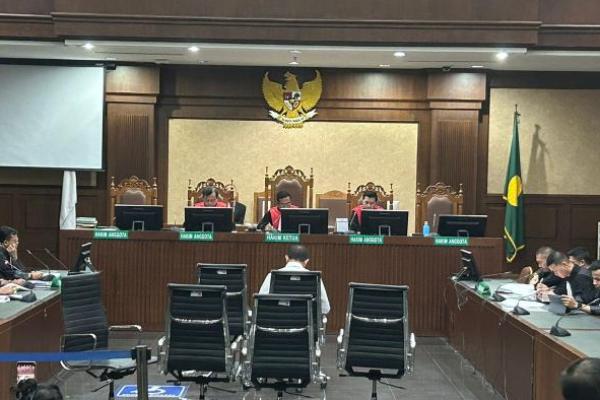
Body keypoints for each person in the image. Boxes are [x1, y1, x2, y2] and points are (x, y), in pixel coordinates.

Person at [259, 244, 330, 314]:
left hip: (277, 320)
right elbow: (325, 308)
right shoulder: (315, 278)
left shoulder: (271, 276)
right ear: (306, 261)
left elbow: (260, 302)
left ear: (286, 258)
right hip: (306, 321)